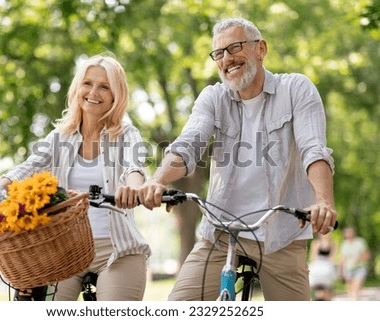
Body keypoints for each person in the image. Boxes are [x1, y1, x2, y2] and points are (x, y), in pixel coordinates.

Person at [137, 17, 337, 301]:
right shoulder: (213, 98)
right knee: (178, 307)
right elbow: (189, 144)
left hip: (281, 235)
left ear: (260, 49)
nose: (226, 59)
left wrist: (323, 202)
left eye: (235, 47)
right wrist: (156, 180)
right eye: (218, 53)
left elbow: (313, 149)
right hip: (220, 232)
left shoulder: (296, 90)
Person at [0, 54, 151, 301]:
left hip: (118, 250)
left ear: (116, 95)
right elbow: (27, 168)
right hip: (66, 250)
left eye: (104, 86)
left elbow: (134, 166)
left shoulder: (126, 134)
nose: (93, 91)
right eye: (88, 83)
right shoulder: (61, 135)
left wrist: (135, 189)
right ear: (78, 88)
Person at [339, 227, 370, 300]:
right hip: (348, 269)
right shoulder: (344, 244)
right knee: (351, 291)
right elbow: (342, 259)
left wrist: (359, 258)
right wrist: (340, 271)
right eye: (347, 232)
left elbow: (367, 255)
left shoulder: (360, 242)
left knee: (356, 289)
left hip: (360, 268)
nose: (348, 233)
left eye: (350, 232)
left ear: (353, 233)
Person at [308, 233, 337, 300]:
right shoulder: (316, 243)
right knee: (318, 290)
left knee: (326, 289)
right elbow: (313, 257)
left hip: (327, 268)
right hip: (317, 268)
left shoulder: (332, 244)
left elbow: (332, 258)